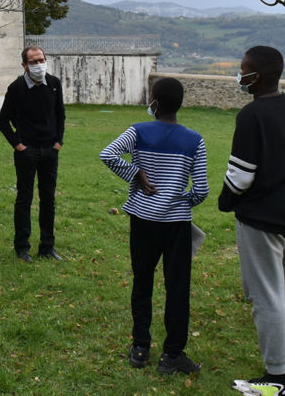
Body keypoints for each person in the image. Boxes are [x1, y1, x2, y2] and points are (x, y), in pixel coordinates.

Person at [220, 46, 285, 396]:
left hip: (262, 214)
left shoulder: (252, 115)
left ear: (256, 76)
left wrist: (226, 200)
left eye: (243, 69)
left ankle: (275, 379)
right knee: (280, 288)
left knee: (265, 295)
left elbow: (241, 174)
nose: (239, 74)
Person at [100, 77, 208, 376]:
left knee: (142, 281)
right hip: (177, 225)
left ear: (154, 102)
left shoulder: (138, 131)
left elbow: (108, 154)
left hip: (143, 221)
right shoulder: (194, 140)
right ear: (180, 104)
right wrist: (180, 200)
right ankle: (172, 354)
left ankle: (140, 348)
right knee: (177, 289)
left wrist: (136, 173)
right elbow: (201, 190)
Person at [0, 46, 66, 262]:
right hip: (27, 151)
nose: (38, 65)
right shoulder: (16, 88)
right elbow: (3, 121)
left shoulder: (54, 84)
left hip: (50, 151)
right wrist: (18, 145)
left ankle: (47, 246)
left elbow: (60, 115)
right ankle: (22, 248)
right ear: (24, 65)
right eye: (33, 61)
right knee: (24, 199)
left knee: (48, 199)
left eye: (41, 60)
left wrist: (58, 142)